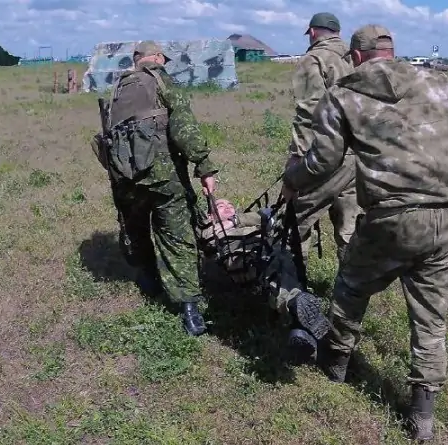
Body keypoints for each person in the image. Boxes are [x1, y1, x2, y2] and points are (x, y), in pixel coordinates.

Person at [281, 25, 448, 441]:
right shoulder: (438, 82)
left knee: (351, 287)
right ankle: (423, 414)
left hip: (390, 217)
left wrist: (291, 178)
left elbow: (323, 162)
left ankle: (336, 362)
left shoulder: (343, 96)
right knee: (431, 316)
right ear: (391, 51)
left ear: (355, 57)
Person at [92, 40, 218, 337]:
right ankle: (189, 308)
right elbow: (183, 128)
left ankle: (148, 278)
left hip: (125, 178)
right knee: (177, 237)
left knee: (136, 230)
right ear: (158, 57)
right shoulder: (162, 80)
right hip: (162, 176)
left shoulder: (119, 87)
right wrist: (204, 165)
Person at [199, 199, 331, 363]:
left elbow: (268, 216)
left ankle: (299, 325)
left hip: (269, 251)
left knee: (285, 259)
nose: (227, 208)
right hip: (242, 258)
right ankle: (297, 309)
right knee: (273, 265)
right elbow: (205, 239)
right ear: (211, 215)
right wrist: (217, 224)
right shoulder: (211, 228)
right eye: (220, 206)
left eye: (230, 205)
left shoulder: (244, 220)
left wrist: (237, 220)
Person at [285, 12, 362, 266]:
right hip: (356, 155)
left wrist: (297, 159)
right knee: (349, 228)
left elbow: (309, 113)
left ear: (312, 32)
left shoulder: (314, 59)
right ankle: (351, 285)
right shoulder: (355, 58)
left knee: (296, 221)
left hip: (323, 154)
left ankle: (292, 282)